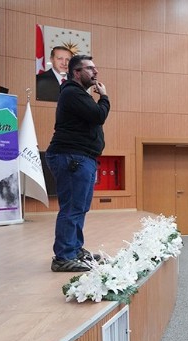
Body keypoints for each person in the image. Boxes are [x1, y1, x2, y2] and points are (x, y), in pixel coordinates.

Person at [46, 54, 110, 272]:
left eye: (95, 68)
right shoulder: (72, 92)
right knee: (73, 207)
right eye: (90, 68)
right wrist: (104, 97)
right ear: (76, 72)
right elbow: (98, 115)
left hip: (81, 157)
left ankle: (74, 249)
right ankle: (63, 257)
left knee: (79, 207)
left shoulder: (78, 94)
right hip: (71, 156)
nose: (95, 72)